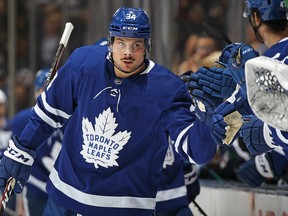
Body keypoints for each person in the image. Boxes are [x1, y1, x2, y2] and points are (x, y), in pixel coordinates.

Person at [0, 7, 216, 216]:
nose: (128, 52)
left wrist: (207, 120)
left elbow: (197, 153)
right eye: (121, 43)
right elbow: (47, 114)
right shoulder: (83, 63)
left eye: (136, 44)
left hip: (124, 208)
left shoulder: (167, 88)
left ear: (147, 46)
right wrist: (21, 150)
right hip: (64, 199)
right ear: (110, 42)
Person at [11, 68, 63, 216]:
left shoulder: (71, 119)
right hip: (36, 185)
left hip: (62, 189)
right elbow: (12, 149)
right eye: (42, 90)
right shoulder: (23, 119)